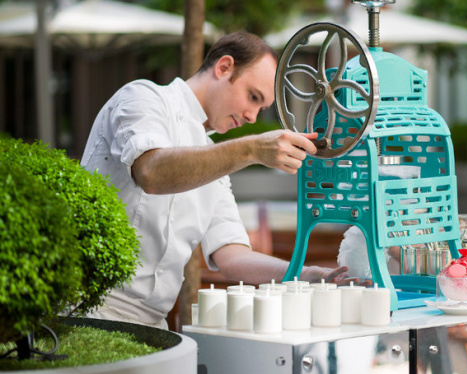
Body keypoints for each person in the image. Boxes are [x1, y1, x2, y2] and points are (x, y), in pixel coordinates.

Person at [81, 31, 360, 328]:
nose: (253, 117)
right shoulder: (143, 97)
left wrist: (305, 275)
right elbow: (151, 172)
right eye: (253, 97)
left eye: (261, 108)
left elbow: (232, 255)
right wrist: (252, 148)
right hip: (89, 311)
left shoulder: (214, 158)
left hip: (152, 324)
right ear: (224, 67)